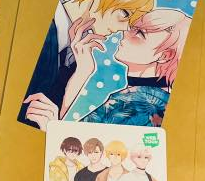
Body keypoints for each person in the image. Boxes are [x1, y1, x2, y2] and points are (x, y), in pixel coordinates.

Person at [21, 0, 157, 130]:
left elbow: (45, 120)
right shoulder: (39, 21)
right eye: (125, 13)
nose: (125, 28)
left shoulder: (77, 50)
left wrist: (83, 71)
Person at [62, 8, 191, 126]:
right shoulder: (155, 97)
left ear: (165, 55)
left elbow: (70, 138)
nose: (126, 32)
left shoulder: (138, 103)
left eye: (139, 33)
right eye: (132, 27)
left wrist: (82, 71)